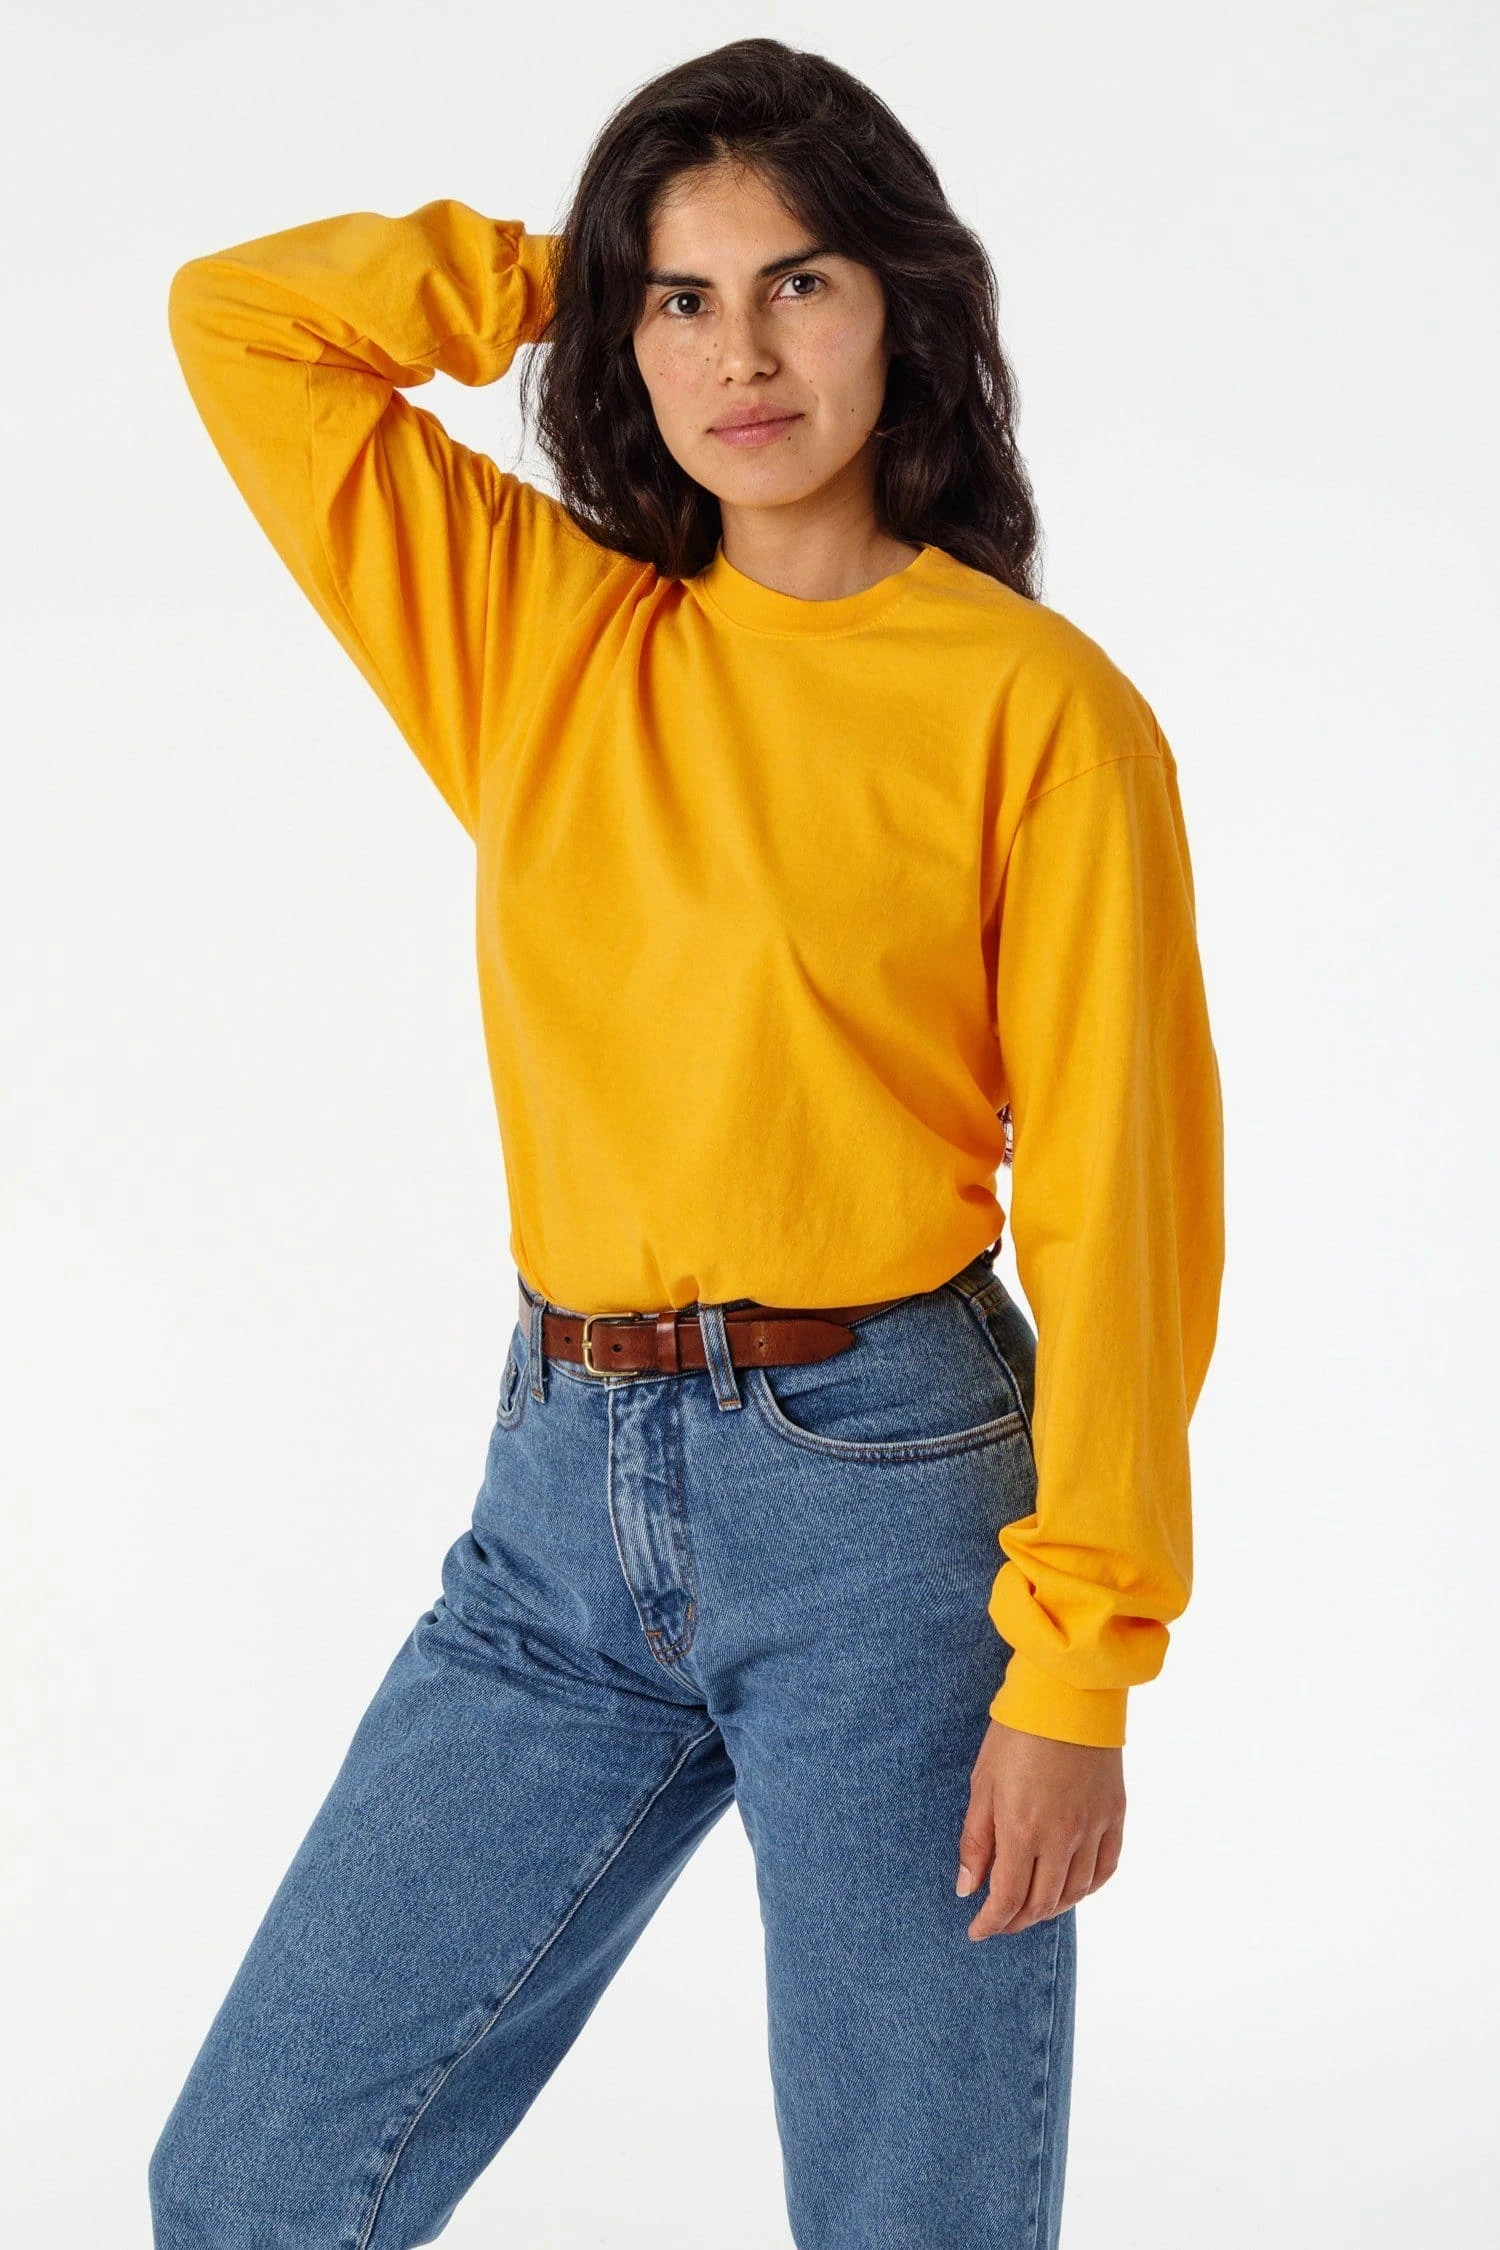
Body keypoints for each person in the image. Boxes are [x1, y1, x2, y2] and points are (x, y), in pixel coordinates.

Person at [149, 34, 1224, 2250]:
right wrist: (570, 266)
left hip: (894, 1519)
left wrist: (1077, 1665)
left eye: (800, 283)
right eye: (683, 300)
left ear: (905, 304)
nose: (741, 354)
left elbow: (1124, 1208)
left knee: (910, 2221)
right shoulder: (541, 638)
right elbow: (238, 321)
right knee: (252, 2181)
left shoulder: (1038, 707)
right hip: (559, 1509)